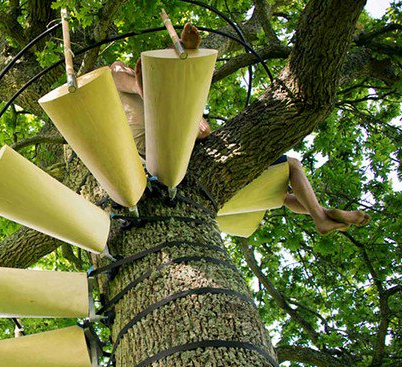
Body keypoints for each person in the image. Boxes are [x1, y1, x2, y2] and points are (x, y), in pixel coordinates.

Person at [110, 24, 369, 235]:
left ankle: (320, 215)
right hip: (150, 149)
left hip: (183, 154)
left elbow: (203, 132)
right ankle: (321, 215)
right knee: (281, 186)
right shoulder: (124, 72)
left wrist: (189, 117)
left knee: (285, 177)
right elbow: (118, 76)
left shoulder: (183, 100)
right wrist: (149, 91)